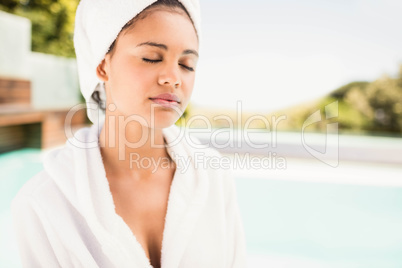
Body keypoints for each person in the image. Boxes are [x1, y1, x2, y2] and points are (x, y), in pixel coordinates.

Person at [11, 0, 247, 267]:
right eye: (151, 58)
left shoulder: (214, 178)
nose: (173, 77)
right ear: (102, 65)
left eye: (187, 64)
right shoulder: (43, 204)